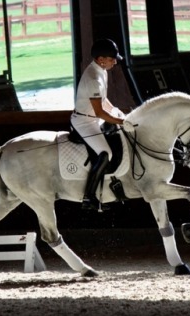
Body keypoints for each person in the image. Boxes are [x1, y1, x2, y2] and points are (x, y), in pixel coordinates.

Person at [70, 38, 135, 211]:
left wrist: (119, 113)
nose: (115, 61)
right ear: (101, 59)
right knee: (105, 153)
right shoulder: (93, 79)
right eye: (112, 58)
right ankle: (89, 197)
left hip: (93, 118)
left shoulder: (101, 70)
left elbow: (104, 101)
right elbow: (99, 112)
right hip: (84, 121)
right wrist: (122, 121)